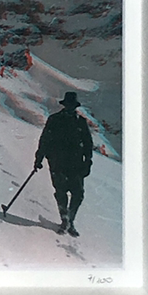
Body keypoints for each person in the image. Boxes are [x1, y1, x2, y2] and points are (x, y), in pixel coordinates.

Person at [34, 92, 93, 237]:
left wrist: (88, 161)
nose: (70, 107)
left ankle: (70, 220)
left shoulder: (81, 122)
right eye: (68, 105)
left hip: (76, 164)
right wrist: (39, 158)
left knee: (78, 194)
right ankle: (65, 220)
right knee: (61, 192)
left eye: (72, 105)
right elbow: (45, 139)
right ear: (64, 105)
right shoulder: (54, 119)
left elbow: (88, 143)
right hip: (57, 162)